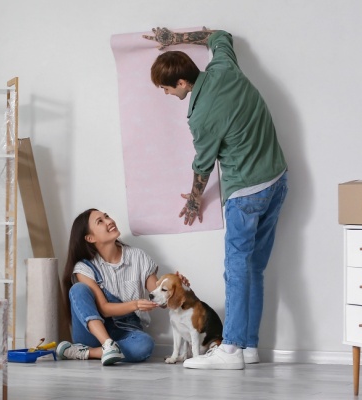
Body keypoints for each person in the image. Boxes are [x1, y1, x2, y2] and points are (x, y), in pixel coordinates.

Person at [144, 27, 289, 370]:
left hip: (245, 193)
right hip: (278, 179)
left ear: (181, 83)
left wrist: (194, 200)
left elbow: (203, 164)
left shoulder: (200, 115)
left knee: (236, 271)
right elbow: (219, 36)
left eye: (165, 88)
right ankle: (250, 347)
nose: (165, 94)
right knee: (254, 268)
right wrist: (174, 39)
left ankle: (232, 349)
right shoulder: (224, 66)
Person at [56, 208, 160, 365]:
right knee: (78, 289)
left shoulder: (138, 256)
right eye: (100, 221)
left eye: (107, 217)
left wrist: (175, 286)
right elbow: (104, 308)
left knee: (145, 345)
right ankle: (107, 346)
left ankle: (90, 353)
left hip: (127, 330)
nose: (109, 221)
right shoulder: (85, 268)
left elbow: (159, 297)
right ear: (90, 238)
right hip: (91, 334)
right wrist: (136, 304)